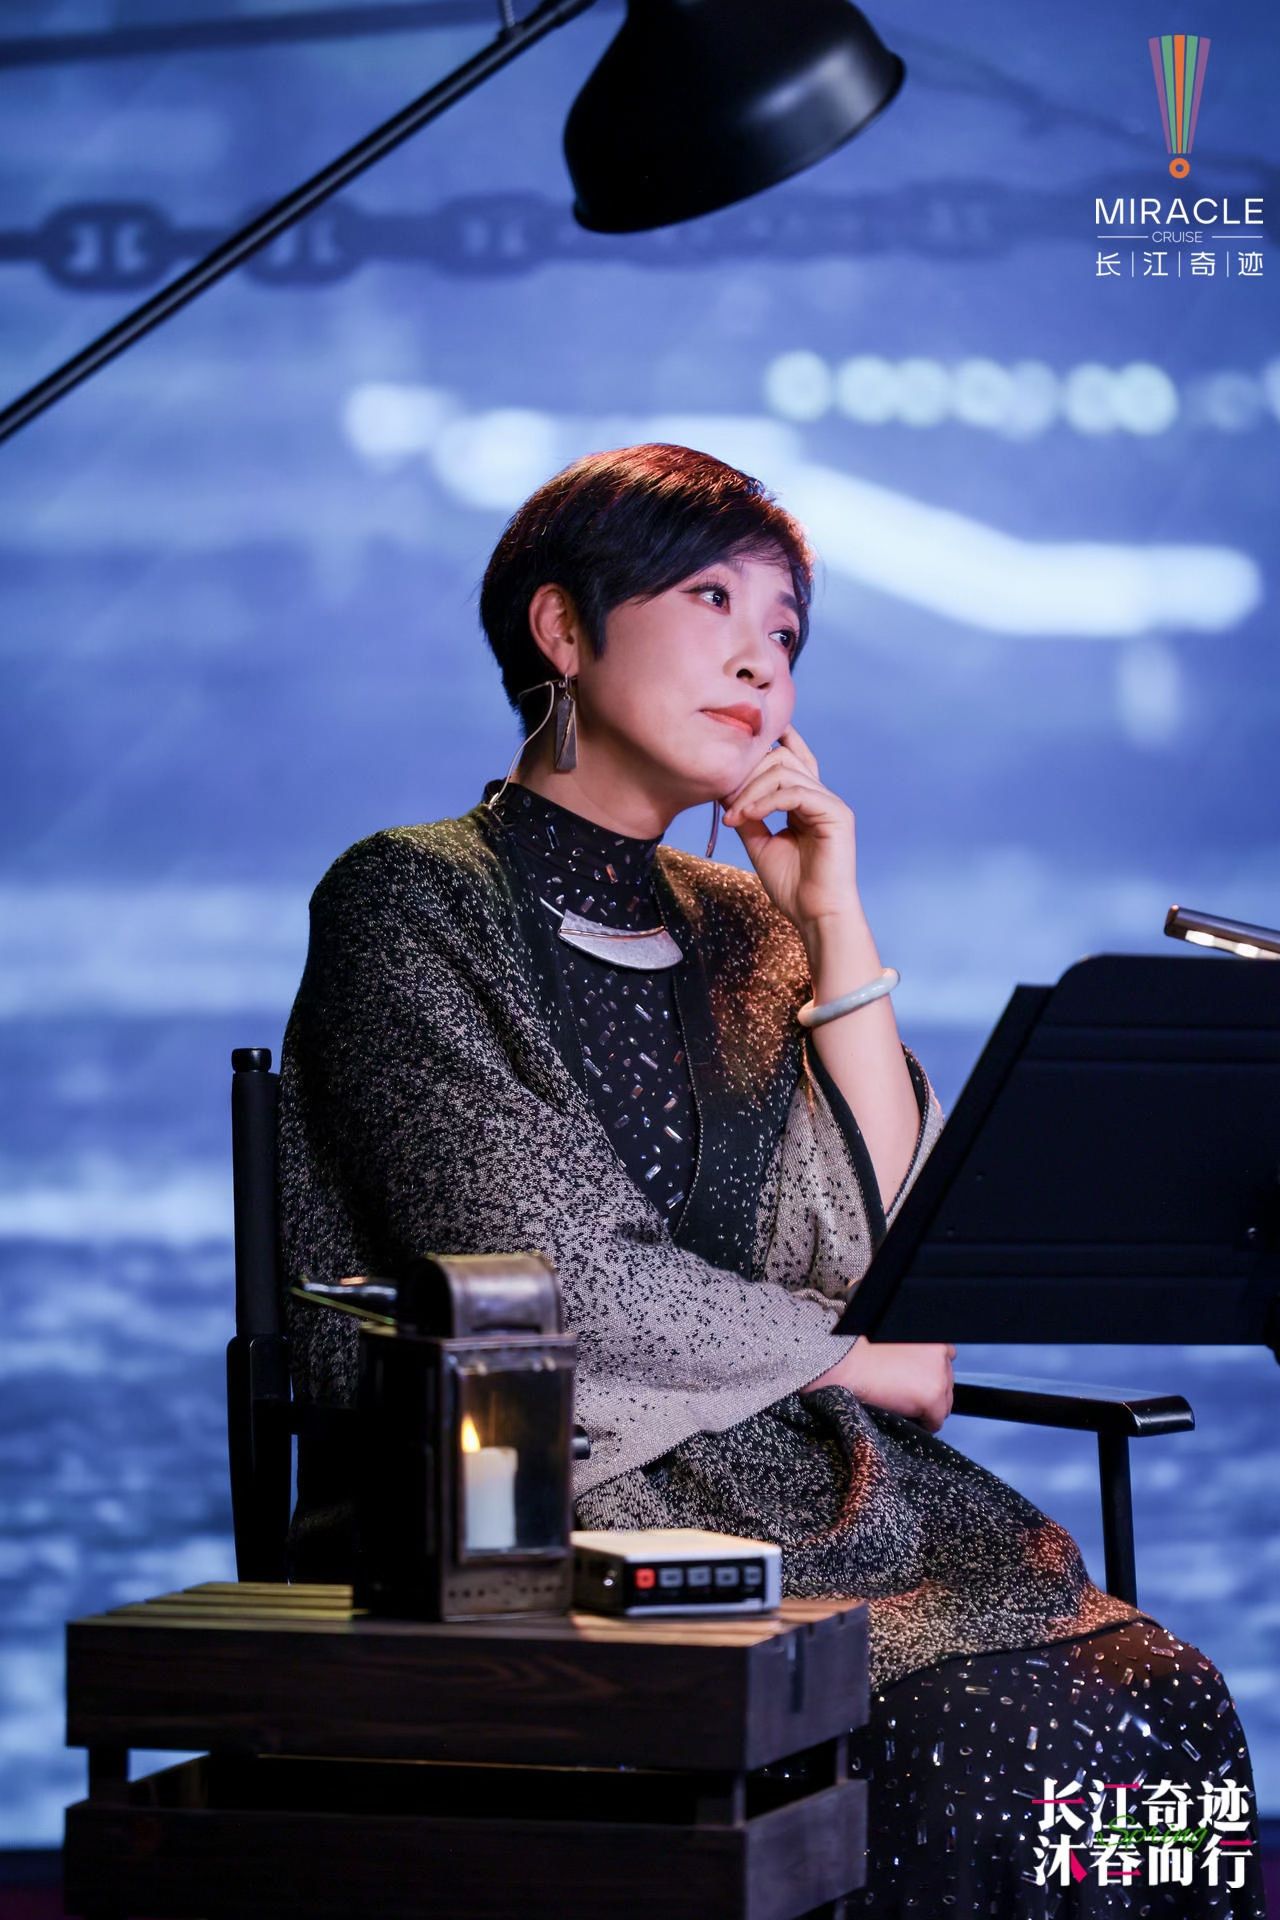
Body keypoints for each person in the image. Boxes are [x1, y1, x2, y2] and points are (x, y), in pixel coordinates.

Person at [276, 443, 1264, 1914]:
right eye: (712, 601)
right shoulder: (409, 899)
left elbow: (896, 1261)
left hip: (811, 1492)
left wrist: (831, 923)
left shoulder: (744, 924)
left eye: (787, 633)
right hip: (527, 1502)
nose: (762, 660)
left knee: (1163, 1705)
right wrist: (851, 1359)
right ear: (562, 629)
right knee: (986, 1743)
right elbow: (542, 1272)